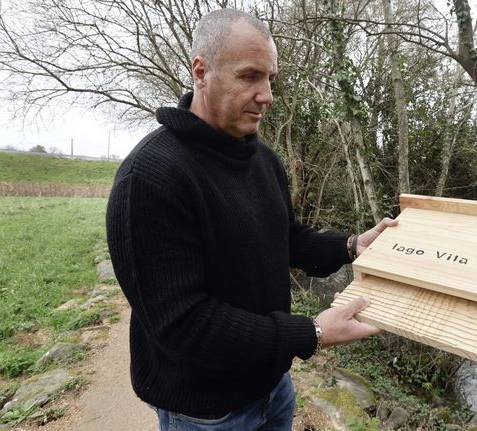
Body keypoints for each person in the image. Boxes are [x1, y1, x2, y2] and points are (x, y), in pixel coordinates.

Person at [106, 8, 397, 431]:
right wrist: (311, 332)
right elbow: (182, 324)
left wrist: (351, 246)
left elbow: (286, 237)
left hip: (272, 386)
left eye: (270, 79)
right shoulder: (151, 178)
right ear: (201, 72)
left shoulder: (262, 158)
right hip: (205, 409)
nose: (267, 96)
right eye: (249, 76)